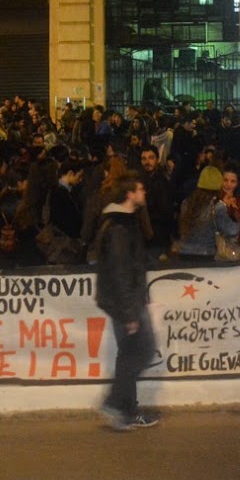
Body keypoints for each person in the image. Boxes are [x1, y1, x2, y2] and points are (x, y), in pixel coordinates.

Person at [93, 174, 158, 431]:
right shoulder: (119, 227)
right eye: (141, 189)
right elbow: (120, 271)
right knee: (143, 350)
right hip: (127, 302)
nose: (144, 193)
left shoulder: (123, 223)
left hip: (126, 300)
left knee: (129, 353)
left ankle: (127, 410)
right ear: (129, 194)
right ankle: (114, 402)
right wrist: (130, 313)